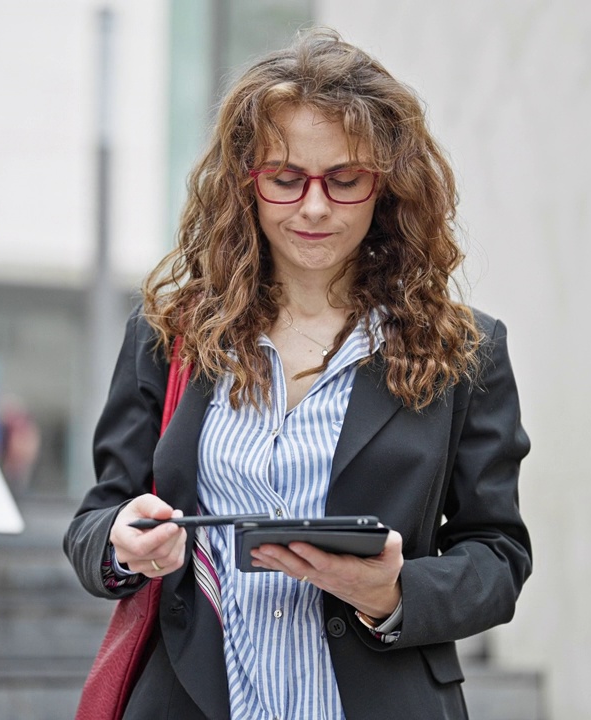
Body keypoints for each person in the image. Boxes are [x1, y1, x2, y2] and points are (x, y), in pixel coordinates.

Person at [64, 28, 530, 720]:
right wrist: (125, 545)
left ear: (387, 187)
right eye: (286, 179)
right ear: (244, 184)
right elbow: (96, 522)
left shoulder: (465, 349)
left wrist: (393, 593)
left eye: (345, 180)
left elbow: (497, 557)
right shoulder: (171, 335)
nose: (314, 207)